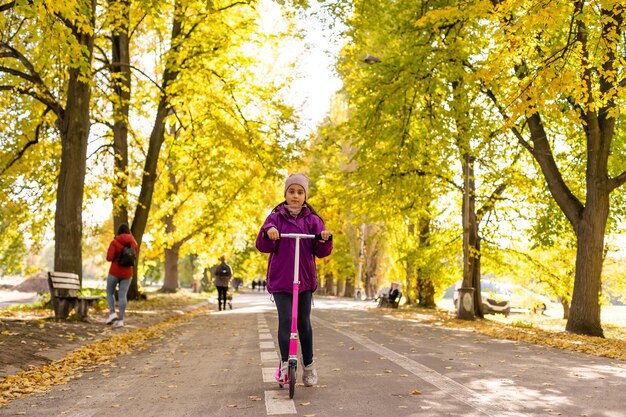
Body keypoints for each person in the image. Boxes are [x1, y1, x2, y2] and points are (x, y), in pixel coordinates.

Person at [256, 173, 333, 387]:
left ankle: (308, 365)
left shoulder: (313, 220)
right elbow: (263, 245)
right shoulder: (276, 217)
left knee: (304, 323)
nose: (295, 196)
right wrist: (269, 232)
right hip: (281, 279)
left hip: (304, 280)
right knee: (286, 320)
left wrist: (325, 238)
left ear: (305, 195)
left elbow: (321, 251)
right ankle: (284, 364)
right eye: (291, 192)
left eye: (300, 192)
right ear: (286, 194)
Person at [105, 223, 138, 328]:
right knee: (122, 295)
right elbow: (134, 256)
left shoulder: (115, 242)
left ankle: (112, 313)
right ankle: (120, 320)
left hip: (115, 272)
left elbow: (109, 258)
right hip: (128, 273)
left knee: (110, 292)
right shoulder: (134, 243)